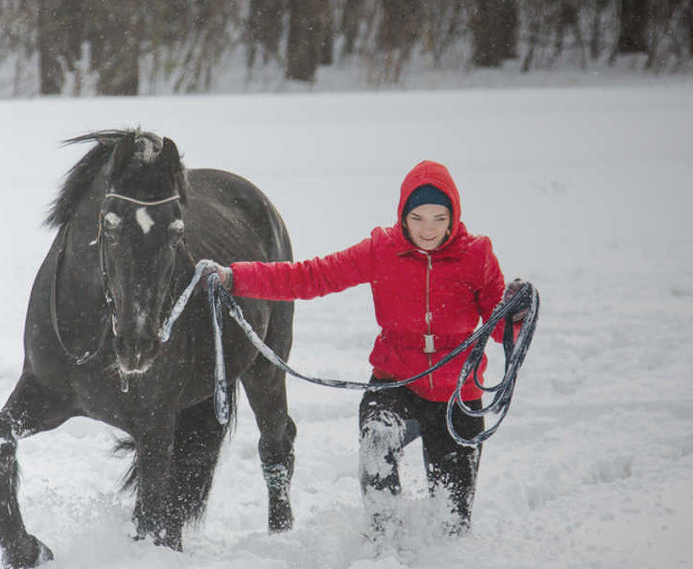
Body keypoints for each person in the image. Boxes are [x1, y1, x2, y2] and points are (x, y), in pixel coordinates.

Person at [203, 160, 527, 539]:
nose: (428, 229)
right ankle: (383, 542)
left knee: (451, 524)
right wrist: (234, 277)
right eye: (418, 217)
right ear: (403, 215)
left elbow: (501, 329)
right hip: (395, 386)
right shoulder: (382, 249)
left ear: (453, 217)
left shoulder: (477, 256)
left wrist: (514, 313)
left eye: (439, 218)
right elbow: (311, 276)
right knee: (377, 438)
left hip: (459, 395)